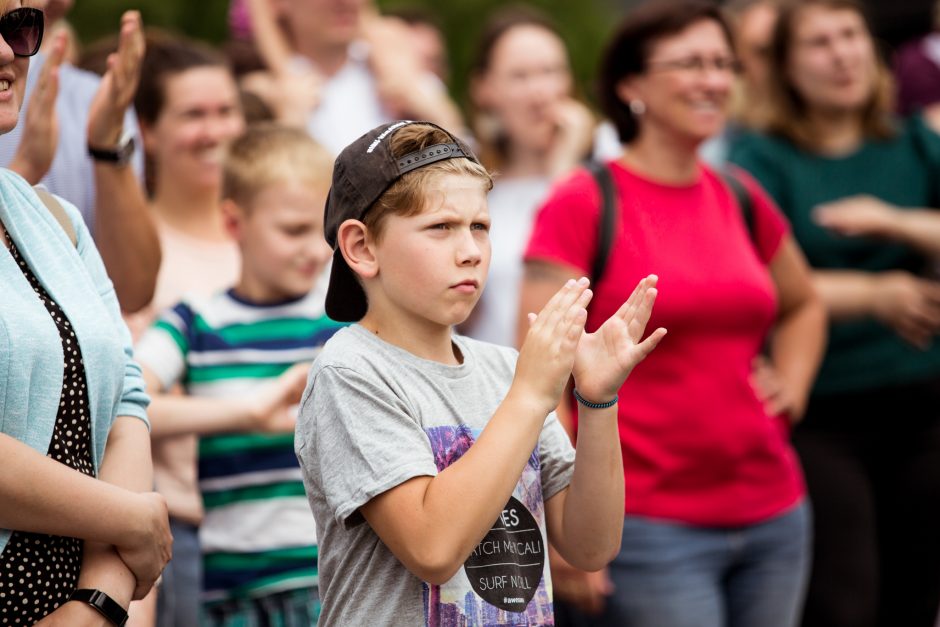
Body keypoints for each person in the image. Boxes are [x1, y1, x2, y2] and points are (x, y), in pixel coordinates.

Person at [521, 1, 827, 625]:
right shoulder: (583, 200)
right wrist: (564, 523)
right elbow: (539, 370)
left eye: (722, 63)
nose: (714, 80)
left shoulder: (738, 193)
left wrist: (789, 388)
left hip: (774, 511)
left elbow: (804, 304)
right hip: (649, 527)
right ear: (631, 84)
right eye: (691, 63)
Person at [294, 119, 665, 625]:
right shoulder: (351, 370)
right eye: (440, 227)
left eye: (480, 227)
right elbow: (432, 547)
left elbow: (589, 546)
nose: (470, 250)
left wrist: (597, 402)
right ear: (362, 247)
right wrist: (532, 396)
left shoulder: (504, 369)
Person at [728, 1, 940, 625]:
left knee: (916, 595)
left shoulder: (913, 141)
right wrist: (875, 294)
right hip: (823, 408)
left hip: (924, 402)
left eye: (850, 36)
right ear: (787, 67)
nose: (842, 54)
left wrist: (895, 221)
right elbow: (754, 278)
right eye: (819, 43)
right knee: (844, 599)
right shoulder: (761, 159)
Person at [0, 2, 172, 624]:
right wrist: (128, 517)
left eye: (14, 28)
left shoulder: (57, 219)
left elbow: (126, 397)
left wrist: (97, 598)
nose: (6, 53)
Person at [135, 124, 343, 626]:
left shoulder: (344, 325)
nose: (315, 250)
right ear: (234, 223)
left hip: (328, 583)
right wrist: (246, 412)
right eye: (293, 230)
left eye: (324, 231)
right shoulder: (195, 321)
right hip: (226, 592)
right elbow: (126, 400)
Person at [125, 32, 246, 627]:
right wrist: (254, 408)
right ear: (146, 130)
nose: (215, 131)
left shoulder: (286, 237)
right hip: (189, 537)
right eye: (193, 114)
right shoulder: (133, 252)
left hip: (295, 529)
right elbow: (126, 405)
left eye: (226, 111)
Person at [0, 6, 161, 313]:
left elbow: (129, 293)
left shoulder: (91, 96)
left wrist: (107, 147)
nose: (7, 52)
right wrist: (25, 172)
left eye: (17, 27)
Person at [459, 6, 595, 348]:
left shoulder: (605, 178)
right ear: (484, 90)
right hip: (490, 382)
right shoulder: (471, 192)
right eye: (520, 76)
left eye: (550, 72)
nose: (540, 93)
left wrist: (564, 164)